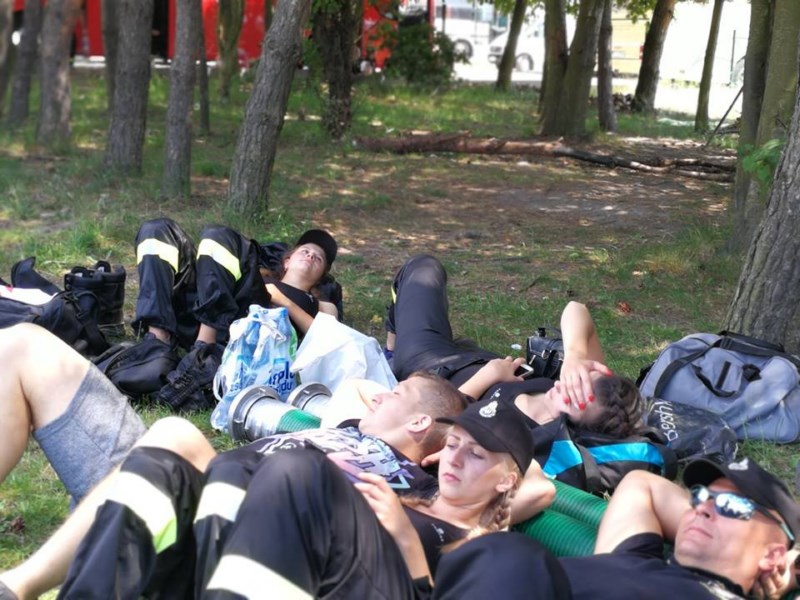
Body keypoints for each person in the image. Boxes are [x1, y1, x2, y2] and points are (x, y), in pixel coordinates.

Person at [55, 397, 547, 599]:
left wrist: (406, 542)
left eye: (476, 455)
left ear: (507, 481)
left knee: (297, 469)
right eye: (453, 445)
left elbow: (541, 487)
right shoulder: (413, 490)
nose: (456, 460)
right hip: (292, 563)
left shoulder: (484, 545)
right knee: (164, 470)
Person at [431, 455, 800, 600]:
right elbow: (642, 485)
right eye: (701, 497)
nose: (702, 509)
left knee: (512, 555)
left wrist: (789, 564)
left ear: (773, 555)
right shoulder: (635, 557)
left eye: (732, 506)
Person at [385, 254, 644, 439]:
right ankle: (394, 345)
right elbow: (576, 310)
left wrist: (487, 377)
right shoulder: (600, 399)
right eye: (580, 380)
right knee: (428, 266)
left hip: (431, 368)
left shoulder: (523, 437)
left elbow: (435, 428)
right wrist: (575, 358)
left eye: (573, 396)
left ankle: (391, 357)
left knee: (422, 268)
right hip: (468, 355)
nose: (564, 385)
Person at [130, 217, 340, 410]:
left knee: (220, 237)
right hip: (204, 310)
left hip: (242, 334)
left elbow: (325, 336)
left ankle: (204, 350)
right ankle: (157, 341)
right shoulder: (259, 276)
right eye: (305, 251)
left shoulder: (321, 304)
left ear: (321, 277)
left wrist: (281, 299)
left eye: (318, 258)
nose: (310, 255)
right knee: (157, 230)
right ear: (287, 260)